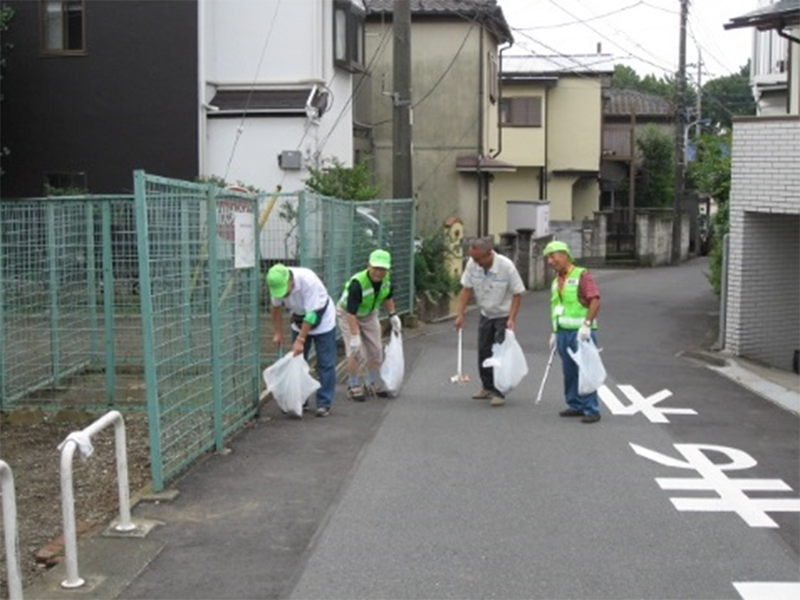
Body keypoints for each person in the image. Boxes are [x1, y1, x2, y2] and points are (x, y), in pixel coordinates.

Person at [454, 238, 525, 407]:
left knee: (500, 354)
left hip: (503, 314)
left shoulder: (506, 266)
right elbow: (466, 290)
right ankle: (486, 386)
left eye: (478, 259)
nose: (475, 262)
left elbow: (517, 293)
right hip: (486, 312)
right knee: (484, 350)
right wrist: (460, 314)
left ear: (489, 254)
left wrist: (512, 319)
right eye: (473, 258)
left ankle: (499, 391)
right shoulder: (473, 264)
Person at [543, 240, 602, 424]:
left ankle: (591, 409)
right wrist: (554, 332)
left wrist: (586, 324)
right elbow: (556, 308)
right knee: (569, 371)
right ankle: (575, 404)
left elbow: (595, 300)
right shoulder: (555, 282)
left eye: (552, 256)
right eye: (547, 258)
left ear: (564, 255)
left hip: (581, 332)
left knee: (586, 370)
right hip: (563, 332)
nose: (550, 261)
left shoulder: (582, 275)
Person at [267, 264, 337, 417]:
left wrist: (300, 340)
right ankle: (299, 400)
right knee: (298, 360)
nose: (283, 295)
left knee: (325, 362)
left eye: (285, 291)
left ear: (290, 280)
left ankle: (324, 402)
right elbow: (276, 308)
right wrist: (277, 332)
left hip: (321, 318)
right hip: (299, 319)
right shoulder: (277, 283)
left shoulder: (308, 280)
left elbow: (311, 315)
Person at [337, 249, 402, 401]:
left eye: (383, 269)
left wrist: (393, 314)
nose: (379, 272)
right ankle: (353, 385)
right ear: (368, 265)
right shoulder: (357, 283)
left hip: (369, 313)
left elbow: (388, 296)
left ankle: (369, 382)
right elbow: (351, 313)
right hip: (348, 314)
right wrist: (354, 337)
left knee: (376, 350)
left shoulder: (386, 280)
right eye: (376, 268)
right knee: (355, 351)